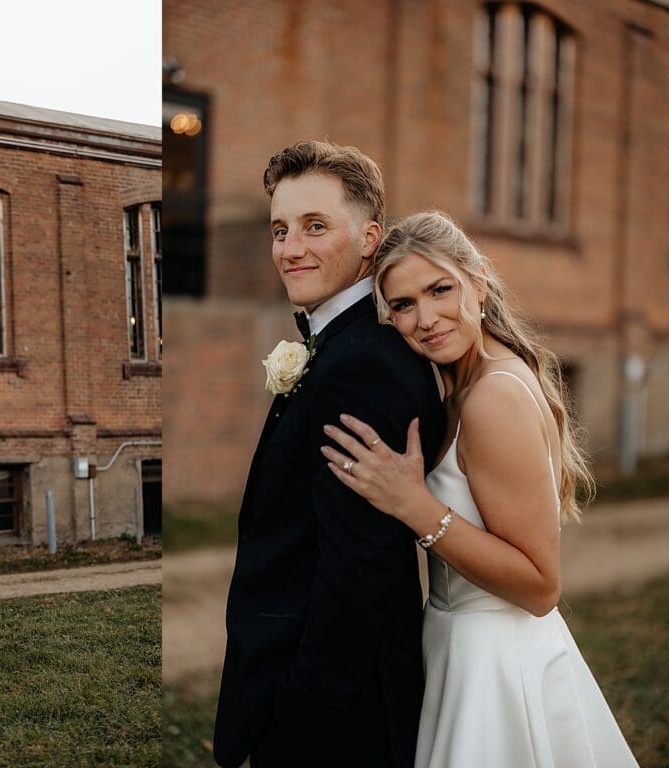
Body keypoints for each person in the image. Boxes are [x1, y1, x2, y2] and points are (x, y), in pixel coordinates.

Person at [321, 211, 639, 767]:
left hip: (497, 665)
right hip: (458, 645)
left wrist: (415, 508)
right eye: (403, 304)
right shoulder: (466, 382)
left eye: (440, 289)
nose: (426, 318)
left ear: (480, 281)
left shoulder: (493, 395)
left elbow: (541, 586)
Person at [213, 141, 445, 767]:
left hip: (335, 720)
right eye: (280, 230)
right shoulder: (341, 346)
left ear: (371, 238)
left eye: (316, 227)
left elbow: (361, 566)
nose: (290, 249)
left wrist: (301, 711)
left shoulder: (363, 363)